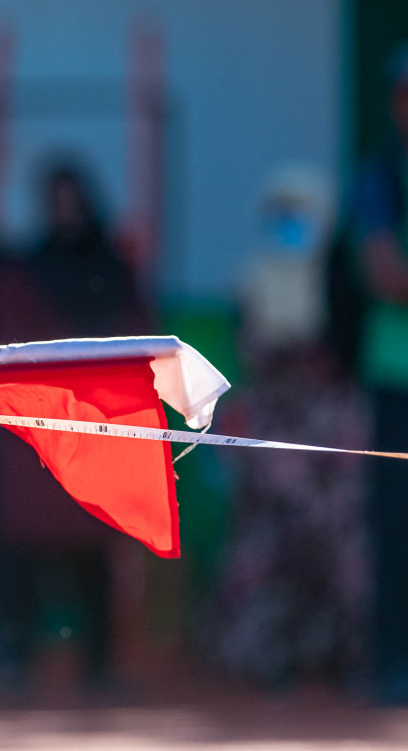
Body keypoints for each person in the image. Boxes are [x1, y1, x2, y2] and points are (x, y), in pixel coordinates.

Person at [0, 161, 151, 690]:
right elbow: (8, 344)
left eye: (72, 201)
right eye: (55, 202)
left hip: (96, 424)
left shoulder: (114, 269)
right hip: (39, 427)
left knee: (95, 548)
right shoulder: (22, 270)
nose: (65, 213)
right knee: (23, 545)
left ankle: (100, 665)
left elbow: (136, 338)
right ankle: (14, 661)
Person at [213, 166, 369, 686]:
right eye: (279, 211)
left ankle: (343, 656)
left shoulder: (341, 275)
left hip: (331, 429)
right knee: (267, 546)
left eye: (299, 211)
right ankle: (267, 656)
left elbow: (345, 357)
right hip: (274, 430)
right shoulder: (252, 276)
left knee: (338, 541)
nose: (289, 222)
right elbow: (246, 353)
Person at [353, 50, 408, 702]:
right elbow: (384, 274)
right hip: (394, 381)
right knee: (395, 527)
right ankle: (391, 662)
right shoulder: (379, 180)